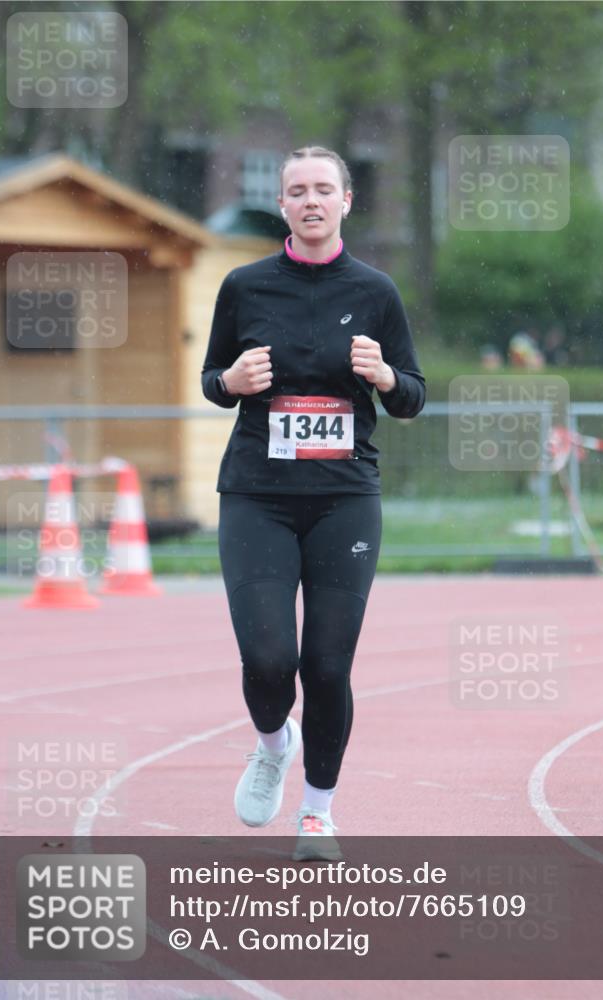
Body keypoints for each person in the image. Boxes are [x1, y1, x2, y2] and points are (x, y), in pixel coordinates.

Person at [201, 145, 425, 859]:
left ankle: (318, 812)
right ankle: (273, 744)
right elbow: (211, 377)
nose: (309, 201)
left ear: (345, 201)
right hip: (256, 496)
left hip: (342, 500)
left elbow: (413, 398)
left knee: (326, 666)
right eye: (296, 190)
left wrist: (385, 375)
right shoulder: (244, 286)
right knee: (268, 660)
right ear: (284, 205)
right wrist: (230, 381)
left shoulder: (376, 292)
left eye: (322, 189)